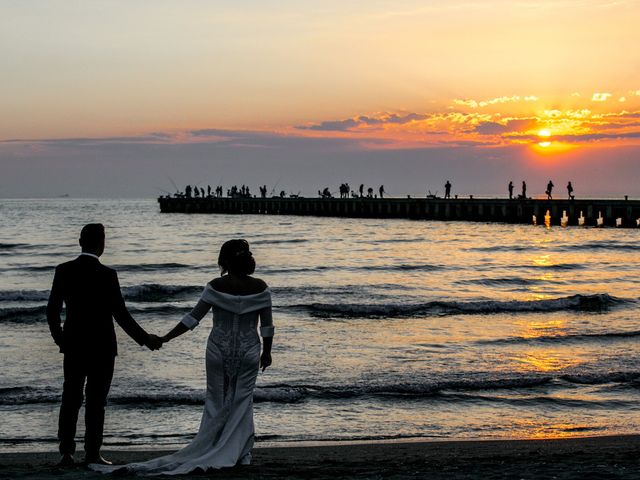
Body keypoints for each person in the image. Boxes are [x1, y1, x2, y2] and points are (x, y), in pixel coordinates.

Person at [91, 239, 274, 475]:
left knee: (216, 401)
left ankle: (215, 446)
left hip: (218, 349)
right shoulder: (260, 287)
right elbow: (267, 326)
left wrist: (166, 338)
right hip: (249, 350)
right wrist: (267, 352)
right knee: (242, 400)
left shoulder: (215, 286)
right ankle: (241, 452)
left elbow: (192, 319)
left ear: (225, 259)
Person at [47, 224, 162, 467]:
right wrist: (145, 340)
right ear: (102, 244)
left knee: (71, 397)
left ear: (80, 241)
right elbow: (121, 315)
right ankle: (92, 453)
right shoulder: (108, 275)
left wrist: (61, 339)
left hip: (74, 345)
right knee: (97, 401)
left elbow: (52, 311)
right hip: (103, 347)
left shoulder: (64, 270)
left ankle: (66, 452)